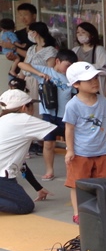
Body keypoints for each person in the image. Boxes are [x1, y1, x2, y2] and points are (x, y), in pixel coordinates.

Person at [62, 62, 106, 224]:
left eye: (95, 78)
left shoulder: (102, 101)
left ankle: (101, 210)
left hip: (101, 151)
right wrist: (70, 150)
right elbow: (69, 129)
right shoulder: (73, 105)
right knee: (77, 184)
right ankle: (78, 213)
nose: (94, 82)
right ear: (76, 84)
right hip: (80, 153)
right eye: (89, 79)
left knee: (102, 183)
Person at [17, 49, 75, 180]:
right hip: (48, 115)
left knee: (70, 145)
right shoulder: (46, 71)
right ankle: (49, 170)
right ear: (57, 61)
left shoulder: (71, 77)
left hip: (65, 116)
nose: (68, 69)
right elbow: (21, 64)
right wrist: (40, 74)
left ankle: (72, 172)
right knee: (48, 143)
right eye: (67, 65)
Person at [0, 89, 54, 215]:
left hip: (4, 176)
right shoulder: (23, 120)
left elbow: (22, 165)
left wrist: (38, 188)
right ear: (24, 107)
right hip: (2, 178)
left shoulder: (3, 120)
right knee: (25, 206)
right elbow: (55, 131)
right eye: (32, 105)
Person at [14, 22, 58, 116]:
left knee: (36, 108)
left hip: (38, 81)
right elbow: (24, 65)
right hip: (26, 81)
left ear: (35, 33)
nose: (28, 34)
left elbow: (50, 70)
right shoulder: (31, 48)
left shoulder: (50, 50)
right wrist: (19, 81)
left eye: (29, 31)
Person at [73, 22, 106, 98]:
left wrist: (84, 65)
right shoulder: (75, 50)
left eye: (83, 32)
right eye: (78, 32)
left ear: (92, 34)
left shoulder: (99, 50)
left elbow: (105, 68)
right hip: (80, 89)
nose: (80, 35)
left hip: (96, 89)